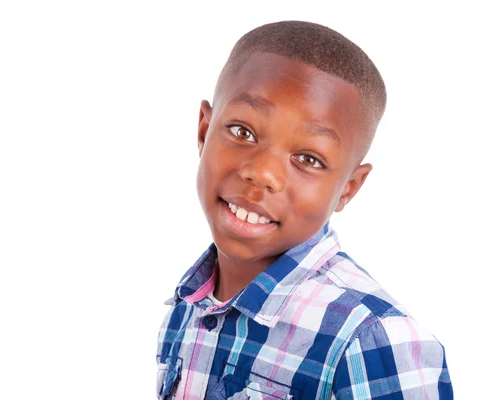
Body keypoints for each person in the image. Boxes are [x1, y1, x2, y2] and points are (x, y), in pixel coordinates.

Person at [156, 20, 453, 400]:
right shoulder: (188, 308)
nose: (262, 174)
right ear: (204, 131)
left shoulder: (372, 339)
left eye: (308, 158)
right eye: (243, 132)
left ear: (348, 188)